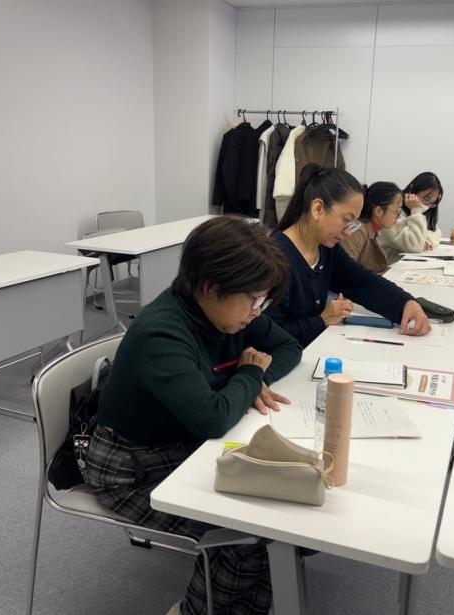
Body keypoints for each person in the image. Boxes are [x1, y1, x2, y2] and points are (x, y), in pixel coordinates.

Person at [84, 216, 302, 615]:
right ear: (209, 286)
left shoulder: (230, 313)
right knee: (245, 534)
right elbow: (212, 418)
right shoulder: (162, 332)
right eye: (254, 300)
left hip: (184, 440)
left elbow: (289, 347)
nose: (258, 312)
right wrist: (248, 376)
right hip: (129, 466)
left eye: (264, 302)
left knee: (284, 518)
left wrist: (254, 379)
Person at [267, 163, 431, 347]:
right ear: (318, 209)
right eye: (346, 220)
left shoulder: (326, 249)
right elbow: (266, 336)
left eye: (353, 224)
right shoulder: (275, 259)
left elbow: (363, 282)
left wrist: (406, 302)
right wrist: (322, 320)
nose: (349, 232)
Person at [378, 171, 444, 265]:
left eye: (431, 204)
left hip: (403, 266)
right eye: (426, 199)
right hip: (385, 269)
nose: (427, 206)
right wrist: (416, 209)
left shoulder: (418, 214)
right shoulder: (393, 211)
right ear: (412, 191)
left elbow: (436, 232)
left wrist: (424, 240)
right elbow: (414, 245)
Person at [339, 181, 403, 274]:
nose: (399, 216)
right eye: (397, 211)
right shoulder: (357, 230)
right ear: (378, 211)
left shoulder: (373, 230)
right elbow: (346, 271)